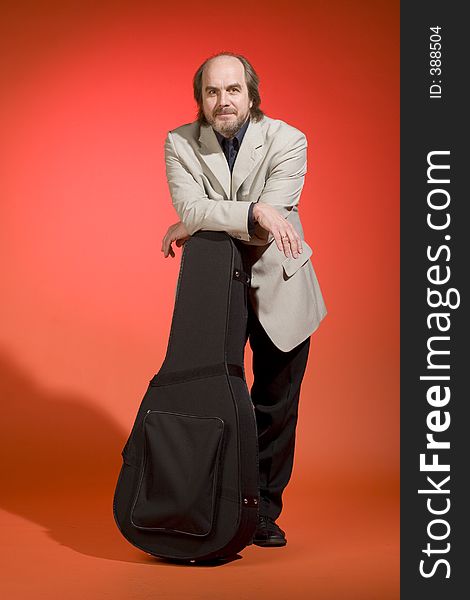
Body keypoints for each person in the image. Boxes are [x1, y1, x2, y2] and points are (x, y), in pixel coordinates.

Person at [161, 52, 327, 547]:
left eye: (233, 90)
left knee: (275, 405)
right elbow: (200, 206)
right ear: (201, 100)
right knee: (217, 399)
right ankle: (216, 501)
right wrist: (246, 210)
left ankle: (263, 512)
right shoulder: (178, 142)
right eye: (212, 92)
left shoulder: (288, 139)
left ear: (251, 96)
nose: (222, 101)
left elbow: (272, 218)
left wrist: (196, 223)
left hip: (283, 284)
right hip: (217, 290)